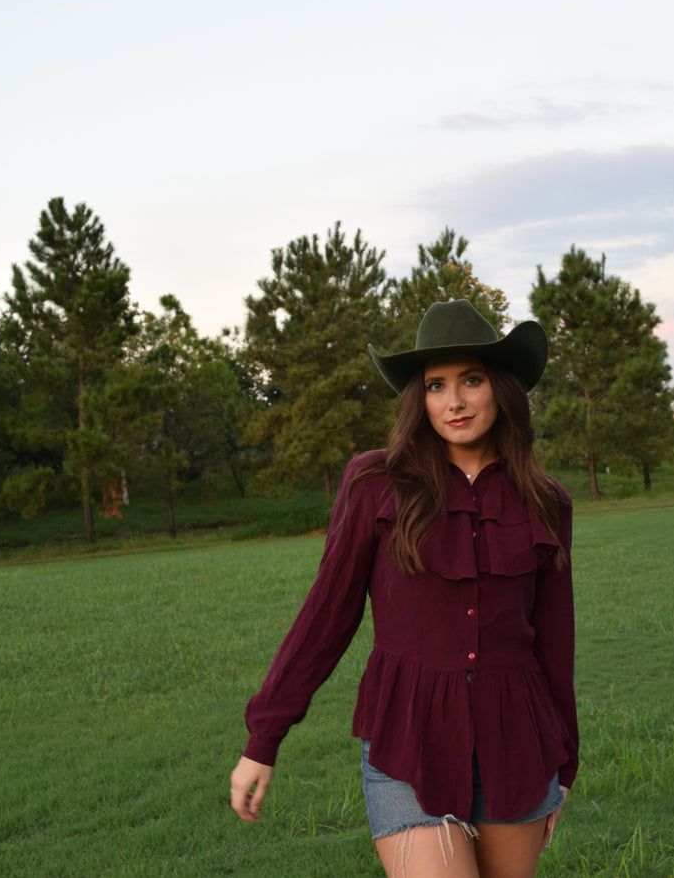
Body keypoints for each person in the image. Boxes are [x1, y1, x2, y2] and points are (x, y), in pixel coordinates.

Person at [229, 299, 577, 878]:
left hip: (520, 740)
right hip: (408, 737)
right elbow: (325, 617)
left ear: (502, 387)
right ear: (420, 398)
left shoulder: (548, 500)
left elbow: (555, 643)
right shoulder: (374, 483)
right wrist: (263, 737)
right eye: (436, 386)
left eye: (472, 379)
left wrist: (566, 766)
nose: (455, 401)